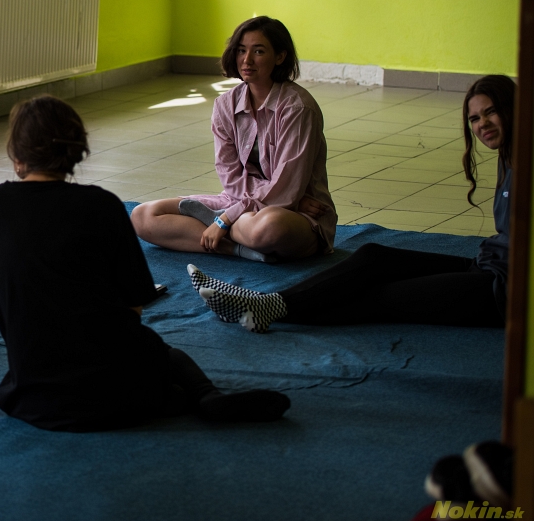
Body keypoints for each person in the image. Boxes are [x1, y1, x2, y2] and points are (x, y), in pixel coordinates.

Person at [0, 95, 291, 432]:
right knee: (167, 357)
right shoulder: (103, 206)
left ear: (16, 155)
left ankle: (180, 398)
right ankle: (205, 396)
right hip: (122, 394)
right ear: (74, 151)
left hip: (35, 401)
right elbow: (133, 306)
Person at [189, 74, 514, 334]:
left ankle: (267, 307)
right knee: (374, 257)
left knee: (377, 297)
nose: (482, 124)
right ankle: (266, 304)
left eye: (490, 112)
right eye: (475, 118)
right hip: (489, 264)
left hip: (504, 290)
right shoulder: (510, 155)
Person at [131, 16, 336, 262]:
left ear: (280, 57)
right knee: (142, 216)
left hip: (292, 213)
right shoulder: (225, 104)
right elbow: (229, 175)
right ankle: (236, 248)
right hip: (239, 201)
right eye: (241, 50)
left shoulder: (298, 108)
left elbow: (286, 189)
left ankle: (222, 227)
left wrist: (228, 217)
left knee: (268, 227)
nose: (246, 60)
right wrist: (238, 210)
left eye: (258, 51)